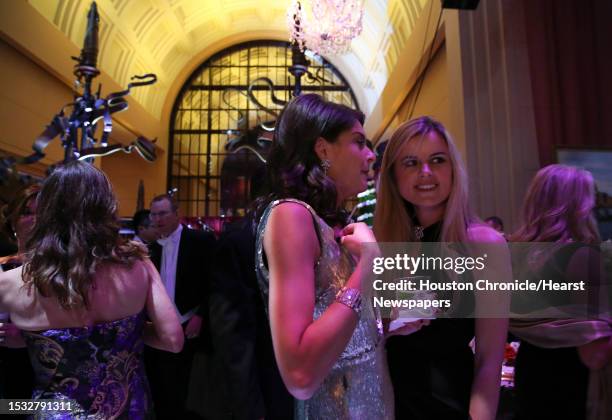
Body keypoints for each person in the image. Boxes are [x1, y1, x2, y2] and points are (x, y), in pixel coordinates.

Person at [0, 161, 183, 418]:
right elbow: (173, 340)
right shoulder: (138, 266)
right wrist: (128, 331)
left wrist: (29, 339)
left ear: (47, 209)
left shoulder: (9, 283)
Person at [253, 93, 395, 419]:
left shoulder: (335, 223)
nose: (371, 155)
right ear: (324, 149)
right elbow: (300, 374)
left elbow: (352, 328)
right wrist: (370, 263)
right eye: (359, 142)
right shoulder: (290, 216)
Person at [374, 116, 509, 420]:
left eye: (437, 160)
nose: (425, 172)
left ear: (452, 169)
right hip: (386, 406)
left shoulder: (482, 243)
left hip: (449, 407)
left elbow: (490, 359)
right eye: (410, 162)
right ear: (393, 175)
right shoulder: (386, 242)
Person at [509, 164, 611, 420]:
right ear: (578, 205)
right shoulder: (581, 257)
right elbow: (595, 355)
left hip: (531, 381)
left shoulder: (515, 258)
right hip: (571, 390)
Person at [146, 194, 217, 418]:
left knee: (191, 387)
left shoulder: (201, 241)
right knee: (162, 384)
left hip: (192, 322)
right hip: (159, 328)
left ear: (177, 213)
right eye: (154, 214)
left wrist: (201, 315)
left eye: (163, 213)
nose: (158, 219)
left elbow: (215, 282)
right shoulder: (149, 249)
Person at [0, 184, 39, 404]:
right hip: (10, 371)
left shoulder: (66, 269)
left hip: (59, 374)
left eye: (42, 212)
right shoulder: (2, 267)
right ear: (13, 221)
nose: (35, 219)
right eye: (27, 213)